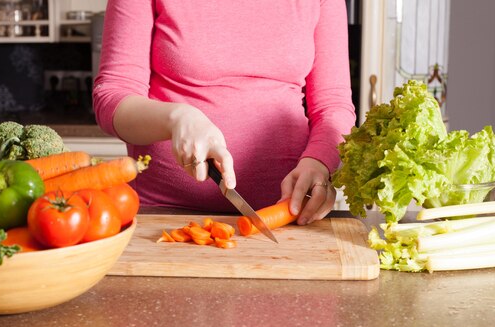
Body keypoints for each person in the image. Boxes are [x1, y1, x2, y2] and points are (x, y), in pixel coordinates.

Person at [93, 0, 355, 225]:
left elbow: (333, 105)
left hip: (286, 216)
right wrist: (177, 118)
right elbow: (112, 98)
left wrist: (319, 161)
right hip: (165, 218)